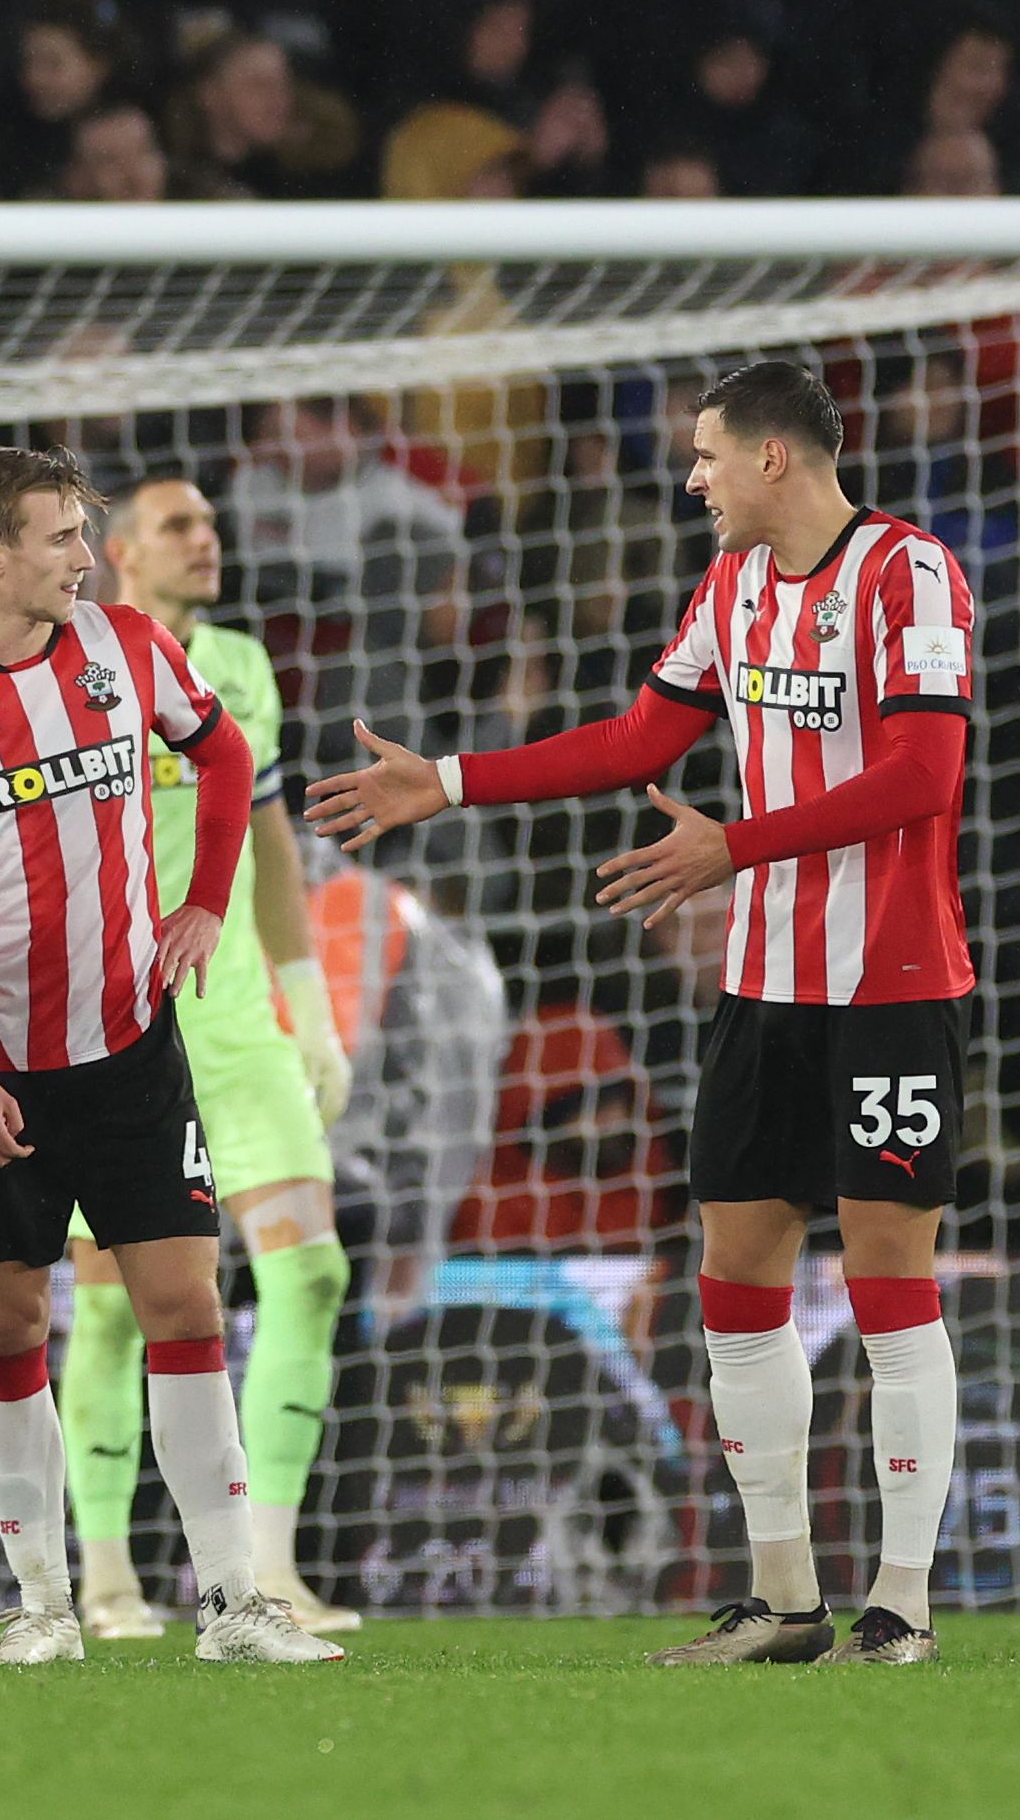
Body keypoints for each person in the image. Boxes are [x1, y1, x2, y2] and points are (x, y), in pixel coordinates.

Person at [310, 360, 975, 1668]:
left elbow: (923, 772)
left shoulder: (908, 575)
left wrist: (737, 846)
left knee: (892, 1274)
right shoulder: (730, 588)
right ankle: (784, 1598)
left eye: (707, 454)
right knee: (736, 1273)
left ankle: (900, 1603)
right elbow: (630, 740)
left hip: (891, 986)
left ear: (773, 458)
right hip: (764, 989)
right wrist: (448, 778)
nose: (690, 477)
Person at [0, 446, 344, 1668]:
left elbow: (225, 757)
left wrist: (203, 902)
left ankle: (232, 1602)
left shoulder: (128, 649)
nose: (86, 556)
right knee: (12, 1315)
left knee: (184, 1301)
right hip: (0, 1075)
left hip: (133, 1051)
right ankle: (41, 1604)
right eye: (60, 536)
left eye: (83, 534)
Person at [55, 474, 359, 1640]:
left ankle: (270, 1565)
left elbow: (269, 838)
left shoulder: (243, 664)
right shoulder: (69, 662)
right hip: (120, 1025)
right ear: (120, 550)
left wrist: (305, 1001)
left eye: (210, 522)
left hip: (234, 1025)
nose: (206, 539)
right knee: (115, 1309)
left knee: (311, 1274)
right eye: (178, 524)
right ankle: (109, 1575)